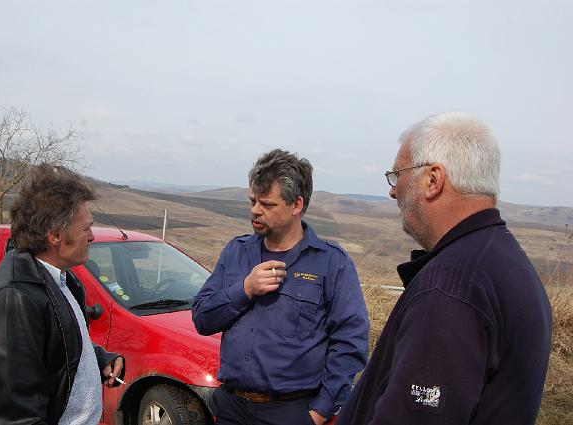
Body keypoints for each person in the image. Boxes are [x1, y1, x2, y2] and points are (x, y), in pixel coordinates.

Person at [337, 112, 552, 425]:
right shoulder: (502, 258)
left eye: (397, 175)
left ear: (433, 179)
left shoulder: (451, 285)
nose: (393, 191)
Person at [192, 149, 369, 425]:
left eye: (267, 204)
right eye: (252, 201)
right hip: (232, 409)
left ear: (296, 204)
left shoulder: (331, 262)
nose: (254, 210)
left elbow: (350, 342)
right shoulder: (235, 252)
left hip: (291, 413)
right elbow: (202, 318)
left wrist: (319, 412)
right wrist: (245, 289)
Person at [0, 164, 125, 425]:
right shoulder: (14, 299)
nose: (93, 237)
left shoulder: (61, 279)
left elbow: (56, 347)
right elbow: (16, 416)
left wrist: (100, 359)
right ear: (55, 235)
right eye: (86, 229)